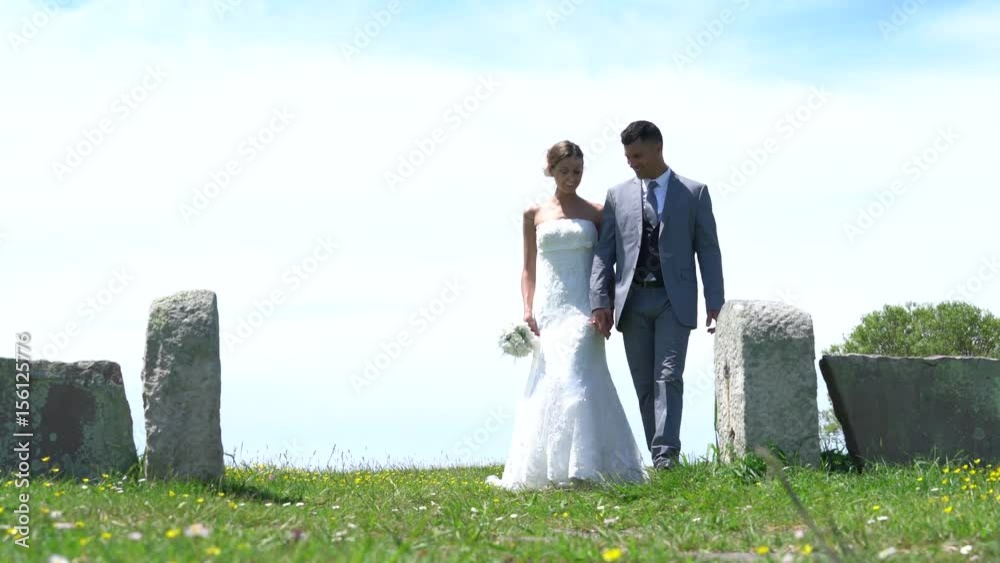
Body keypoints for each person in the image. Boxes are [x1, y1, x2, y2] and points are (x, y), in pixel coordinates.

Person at [486, 140, 648, 490]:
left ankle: (585, 467)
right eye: (564, 171)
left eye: (577, 171)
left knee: (578, 375)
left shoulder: (597, 212)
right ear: (550, 170)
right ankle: (551, 469)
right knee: (551, 379)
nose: (571, 177)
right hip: (549, 309)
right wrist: (527, 310)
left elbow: (609, 263)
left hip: (585, 308)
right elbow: (527, 268)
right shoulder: (533, 215)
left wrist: (605, 304)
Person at [589, 120, 725, 471]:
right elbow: (605, 253)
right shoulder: (617, 196)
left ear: (657, 149)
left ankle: (666, 457)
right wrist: (599, 301)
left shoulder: (694, 193)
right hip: (631, 303)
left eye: (637, 155)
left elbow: (708, 250)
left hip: (672, 300)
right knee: (645, 385)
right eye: (627, 156)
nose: (631, 162)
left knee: (668, 377)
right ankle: (657, 453)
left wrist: (715, 301)